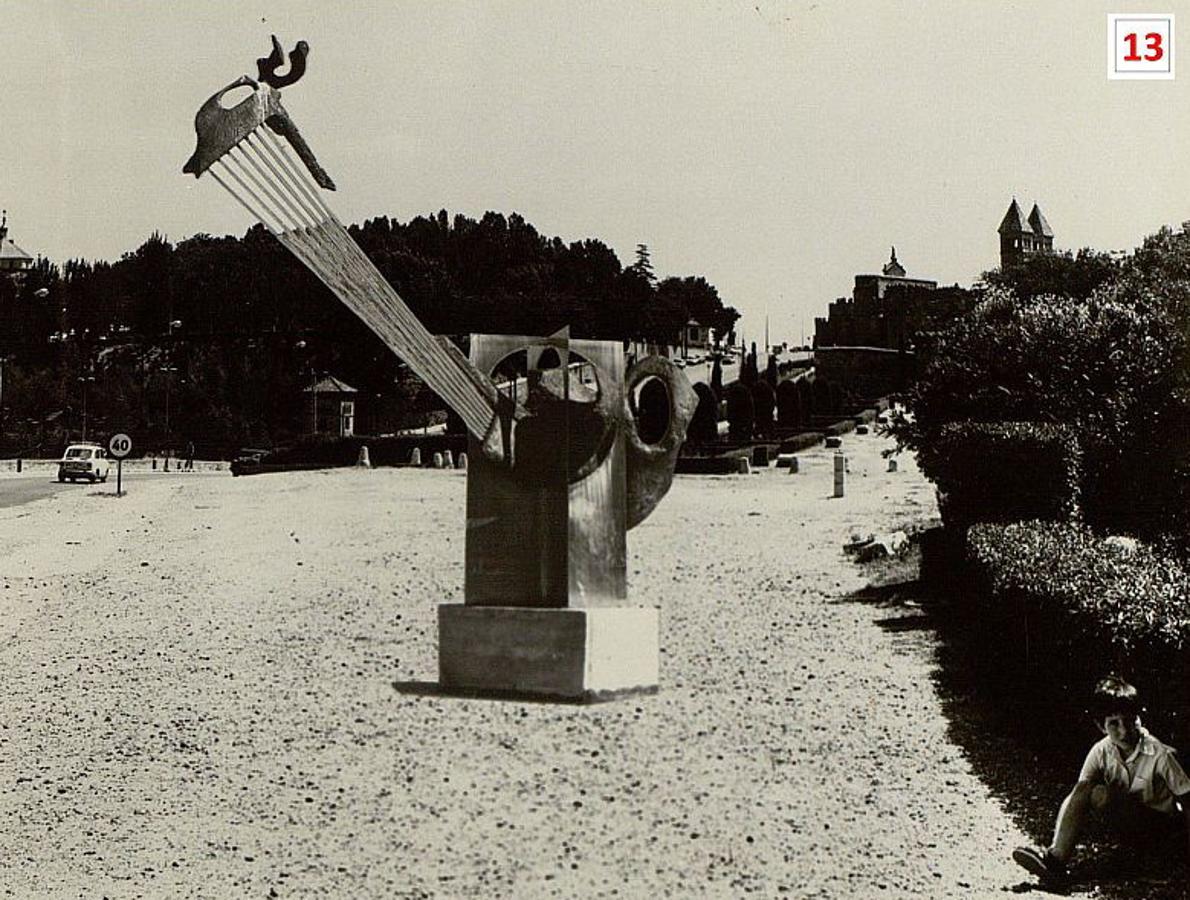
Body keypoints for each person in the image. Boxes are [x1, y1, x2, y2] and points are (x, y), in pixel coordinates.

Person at [1013, 675, 1190, 883]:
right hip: (1126, 824)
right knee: (1090, 789)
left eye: (1129, 721)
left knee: (1100, 794)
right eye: (1114, 724)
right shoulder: (1101, 751)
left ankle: (1148, 859)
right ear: (1101, 726)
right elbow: (1079, 794)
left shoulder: (1160, 754)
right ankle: (1055, 860)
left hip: (1160, 828)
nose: (1124, 731)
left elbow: (1187, 800)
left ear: (1139, 718)